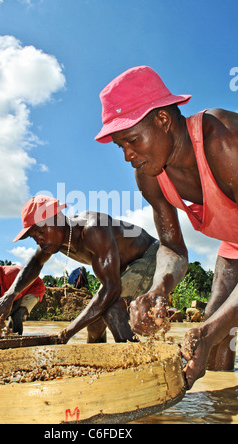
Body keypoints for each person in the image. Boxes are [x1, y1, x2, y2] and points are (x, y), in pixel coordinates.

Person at [95, 65, 238, 389]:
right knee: (214, 323)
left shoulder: (226, 143)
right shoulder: (150, 175)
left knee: (213, 329)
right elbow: (172, 248)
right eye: (121, 147)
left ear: (162, 119)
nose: (128, 156)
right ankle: (222, 400)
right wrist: (159, 289)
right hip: (235, 243)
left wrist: (210, 330)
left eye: (132, 140)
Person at [0, 195, 159, 344]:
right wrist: (8, 297)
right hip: (121, 270)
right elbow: (34, 264)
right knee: (94, 323)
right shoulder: (53, 241)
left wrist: (66, 334)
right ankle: (97, 370)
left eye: (41, 231)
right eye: (34, 237)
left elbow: (112, 289)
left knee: (112, 312)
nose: (39, 239)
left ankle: (141, 369)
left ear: (58, 218)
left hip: (151, 257)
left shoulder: (93, 229)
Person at [0, 256, 45, 335]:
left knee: (17, 315)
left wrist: (1, 320)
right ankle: (10, 335)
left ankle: (17, 341)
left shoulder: (9, 274)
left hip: (33, 288)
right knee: (11, 316)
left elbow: (17, 302)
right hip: (17, 293)